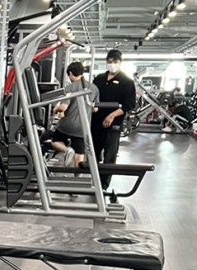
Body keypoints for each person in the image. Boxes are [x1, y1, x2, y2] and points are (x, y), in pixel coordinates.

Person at [90, 48, 136, 188]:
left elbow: (129, 104)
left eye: (115, 62)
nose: (112, 64)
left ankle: (104, 185)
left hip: (113, 124)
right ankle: (94, 182)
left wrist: (112, 115)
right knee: (94, 154)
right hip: (96, 122)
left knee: (109, 156)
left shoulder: (127, 81)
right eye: (109, 62)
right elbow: (91, 96)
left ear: (120, 62)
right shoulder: (99, 79)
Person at [49, 60, 99, 167]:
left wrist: (55, 109)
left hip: (67, 125)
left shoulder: (70, 87)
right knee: (79, 155)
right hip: (83, 127)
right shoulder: (94, 88)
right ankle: (78, 175)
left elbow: (63, 107)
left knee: (55, 141)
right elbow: (95, 109)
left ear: (70, 73)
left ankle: (67, 150)